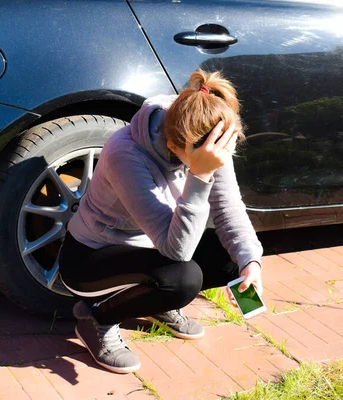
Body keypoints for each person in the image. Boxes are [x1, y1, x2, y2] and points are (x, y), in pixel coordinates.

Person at [58, 70, 264, 374]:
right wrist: (200, 175)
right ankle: (96, 319)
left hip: (154, 247)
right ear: (173, 147)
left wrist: (251, 263)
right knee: (183, 280)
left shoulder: (208, 128)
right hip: (91, 257)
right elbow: (176, 251)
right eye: (198, 159)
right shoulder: (125, 153)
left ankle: (155, 303)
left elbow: (228, 206)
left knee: (232, 257)